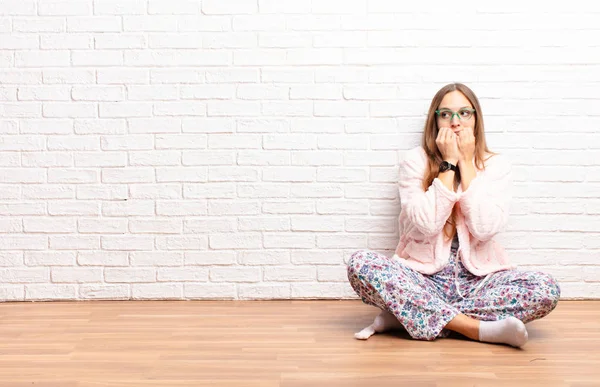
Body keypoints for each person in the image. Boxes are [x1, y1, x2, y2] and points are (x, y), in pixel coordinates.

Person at [346, 83, 560, 348]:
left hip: (479, 282)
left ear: (476, 118)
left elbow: (485, 228)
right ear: (435, 120)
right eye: (446, 114)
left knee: (546, 289)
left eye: (464, 113)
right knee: (361, 263)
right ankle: (477, 329)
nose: (455, 122)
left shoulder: (497, 166)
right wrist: (448, 164)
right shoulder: (415, 161)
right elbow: (426, 224)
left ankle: (410, 315)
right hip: (422, 277)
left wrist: (468, 164)